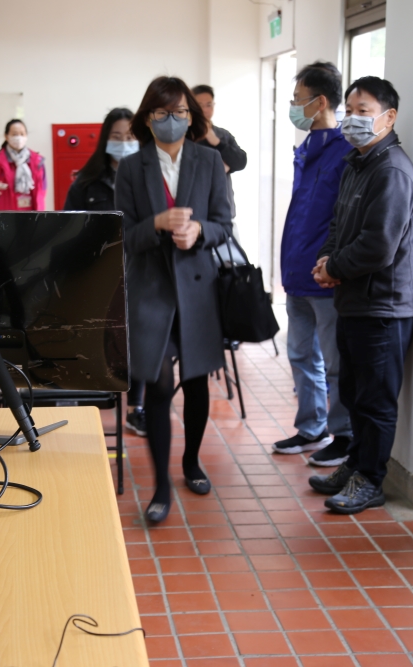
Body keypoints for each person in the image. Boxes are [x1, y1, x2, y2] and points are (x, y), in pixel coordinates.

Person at [115, 76, 233, 523]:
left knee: (199, 381)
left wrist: (200, 230)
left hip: (198, 287)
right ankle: (161, 484)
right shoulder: (131, 168)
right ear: (148, 118)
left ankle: (191, 462)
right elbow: (122, 235)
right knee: (160, 384)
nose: (172, 121)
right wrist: (158, 224)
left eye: (180, 112)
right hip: (149, 291)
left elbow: (224, 223)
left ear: (193, 116)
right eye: (162, 113)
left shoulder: (209, 160)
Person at [307, 76, 413, 515]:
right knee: (355, 393)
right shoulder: (358, 163)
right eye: (350, 109)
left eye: (364, 110)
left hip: (383, 308)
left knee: (375, 401)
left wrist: (334, 268)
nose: (354, 118)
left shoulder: (391, 170)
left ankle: (370, 479)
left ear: (388, 116)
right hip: (354, 301)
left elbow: (379, 244)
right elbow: (337, 226)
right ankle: (354, 465)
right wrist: (325, 260)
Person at [273, 62, 353, 464]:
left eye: (296, 99)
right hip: (295, 273)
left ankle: (343, 435)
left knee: (334, 362)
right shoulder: (305, 148)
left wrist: (331, 263)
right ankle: (311, 427)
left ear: (319, 101)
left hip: (325, 278)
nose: (293, 107)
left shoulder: (345, 150)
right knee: (301, 356)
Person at [62, 107, 147, 436]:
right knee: (101, 341)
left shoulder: (147, 178)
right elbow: (69, 225)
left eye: (130, 137)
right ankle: (95, 399)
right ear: (104, 139)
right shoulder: (87, 181)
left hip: (138, 271)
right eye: (116, 136)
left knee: (136, 341)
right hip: (98, 274)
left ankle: (136, 407)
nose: (124, 143)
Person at [192, 85, 248, 219]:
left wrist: (216, 142)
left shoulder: (222, 135)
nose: (205, 110)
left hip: (224, 210)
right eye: (200, 105)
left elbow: (240, 161)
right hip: (195, 211)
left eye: (209, 105)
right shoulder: (186, 136)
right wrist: (219, 167)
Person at [0, 120, 46, 211]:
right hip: (6, 216)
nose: (19, 137)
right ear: (6, 136)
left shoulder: (38, 162)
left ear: (26, 135)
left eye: (22, 134)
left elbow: (43, 189)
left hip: (33, 216)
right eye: (14, 134)